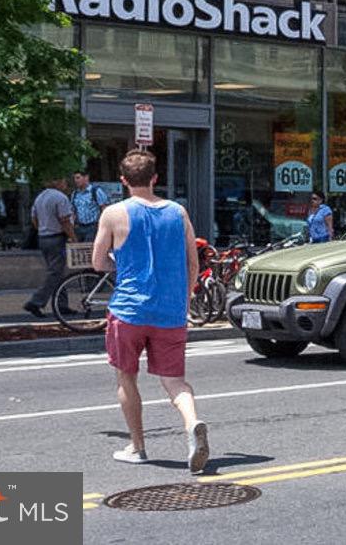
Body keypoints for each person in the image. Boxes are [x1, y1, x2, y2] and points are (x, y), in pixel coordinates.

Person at [94, 149, 210, 473]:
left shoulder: (114, 214)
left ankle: (138, 447)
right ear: (155, 178)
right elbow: (193, 263)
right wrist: (184, 298)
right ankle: (192, 422)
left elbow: (97, 261)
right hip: (170, 312)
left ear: (123, 181)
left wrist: (121, 264)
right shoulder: (178, 212)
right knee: (175, 382)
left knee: (126, 378)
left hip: (128, 311)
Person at [23, 174, 75, 318]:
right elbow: (64, 220)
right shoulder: (60, 197)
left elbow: (34, 218)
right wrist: (73, 237)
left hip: (43, 237)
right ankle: (36, 301)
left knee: (57, 271)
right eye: (64, 180)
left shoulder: (40, 197)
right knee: (55, 272)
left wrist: (42, 228)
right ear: (57, 182)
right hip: (57, 237)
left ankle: (62, 304)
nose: (66, 183)